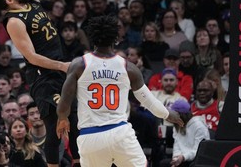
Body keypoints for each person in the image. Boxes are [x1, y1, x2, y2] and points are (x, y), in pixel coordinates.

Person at [56, 15, 183, 167]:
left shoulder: (79, 65)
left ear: (93, 38)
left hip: (90, 136)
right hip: (119, 133)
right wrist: (168, 114)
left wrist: (62, 118)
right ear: (116, 39)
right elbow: (148, 101)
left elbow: (64, 102)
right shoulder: (129, 67)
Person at [0, 0, 79, 166]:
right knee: (55, 124)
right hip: (43, 75)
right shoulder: (13, 22)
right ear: (9, 0)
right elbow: (31, 56)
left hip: (60, 69)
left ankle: (79, 162)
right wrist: (63, 66)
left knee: (75, 123)